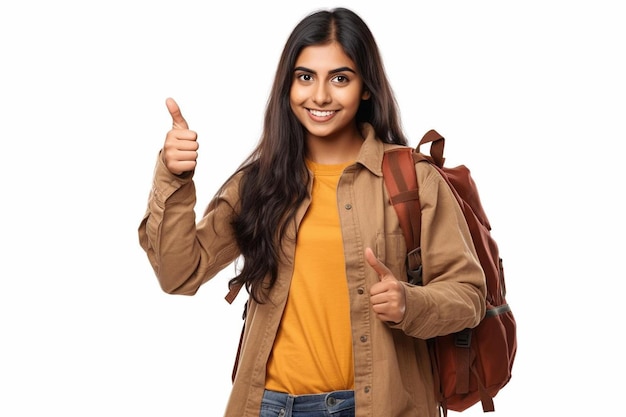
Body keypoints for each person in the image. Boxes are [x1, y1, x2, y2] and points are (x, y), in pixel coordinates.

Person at [138, 7, 486, 417]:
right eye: (306, 77)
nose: (320, 96)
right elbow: (179, 273)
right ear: (288, 86)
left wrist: (410, 303)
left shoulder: (412, 179)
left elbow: (468, 295)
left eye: (340, 78)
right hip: (268, 406)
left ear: (366, 88)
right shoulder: (260, 184)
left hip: (375, 406)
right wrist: (174, 177)